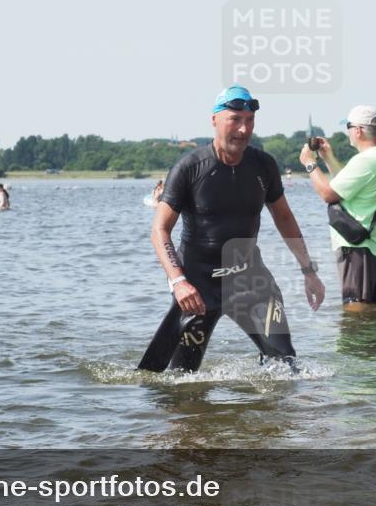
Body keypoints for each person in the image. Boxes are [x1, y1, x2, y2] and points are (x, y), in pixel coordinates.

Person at [139, 85, 325, 372]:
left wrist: (308, 271)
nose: (243, 129)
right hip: (198, 287)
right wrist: (179, 282)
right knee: (178, 381)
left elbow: (285, 219)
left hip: (251, 280)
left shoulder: (263, 166)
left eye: (249, 121)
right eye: (235, 119)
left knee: (286, 367)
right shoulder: (190, 168)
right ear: (214, 120)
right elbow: (159, 230)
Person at [299, 105, 376, 310]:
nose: (348, 133)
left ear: (358, 130)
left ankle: (357, 343)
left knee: (355, 311)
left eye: (348, 127)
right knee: (370, 311)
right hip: (374, 248)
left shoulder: (367, 160)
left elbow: (328, 194)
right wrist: (328, 157)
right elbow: (347, 184)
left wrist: (310, 164)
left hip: (358, 249)